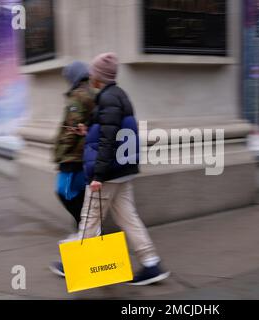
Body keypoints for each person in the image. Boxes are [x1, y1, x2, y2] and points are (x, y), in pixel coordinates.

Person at [79, 52, 169, 286]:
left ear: (100, 76)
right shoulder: (118, 96)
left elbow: (108, 140)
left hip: (108, 173)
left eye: (93, 73)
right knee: (128, 217)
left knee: (90, 218)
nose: (90, 77)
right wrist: (87, 131)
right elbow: (111, 132)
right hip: (122, 170)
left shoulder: (108, 99)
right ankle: (151, 262)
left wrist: (97, 176)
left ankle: (81, 266)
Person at [49, 61, 96, 277]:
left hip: (73, 157)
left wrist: (60, 154)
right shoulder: (93, 93)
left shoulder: (77, 97)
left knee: (64, 191)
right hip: (86, 156)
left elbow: (71, 129)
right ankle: (84, 229)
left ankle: (84, 231)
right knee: (80, 194)